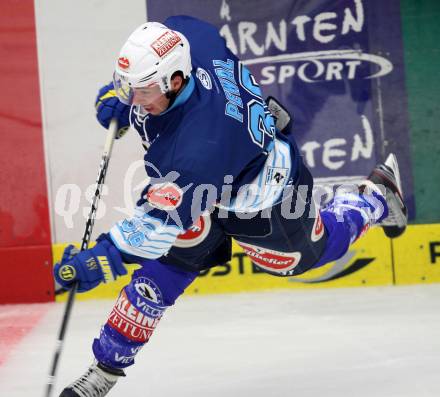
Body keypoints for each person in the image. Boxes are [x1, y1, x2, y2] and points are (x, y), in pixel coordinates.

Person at [55, 15, 408, 397]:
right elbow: (182, 27)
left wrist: (101, 259)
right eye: (131, 87)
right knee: (160, 277)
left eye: (141, 92)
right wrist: (123, 95)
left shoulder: (198, 150)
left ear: (175, 82)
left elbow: (152, 228)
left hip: (265, 198)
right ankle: (105, 371)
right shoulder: (189, 41)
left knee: (305, 257)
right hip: (207, 186)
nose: (133, 99)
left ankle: (374, 198)